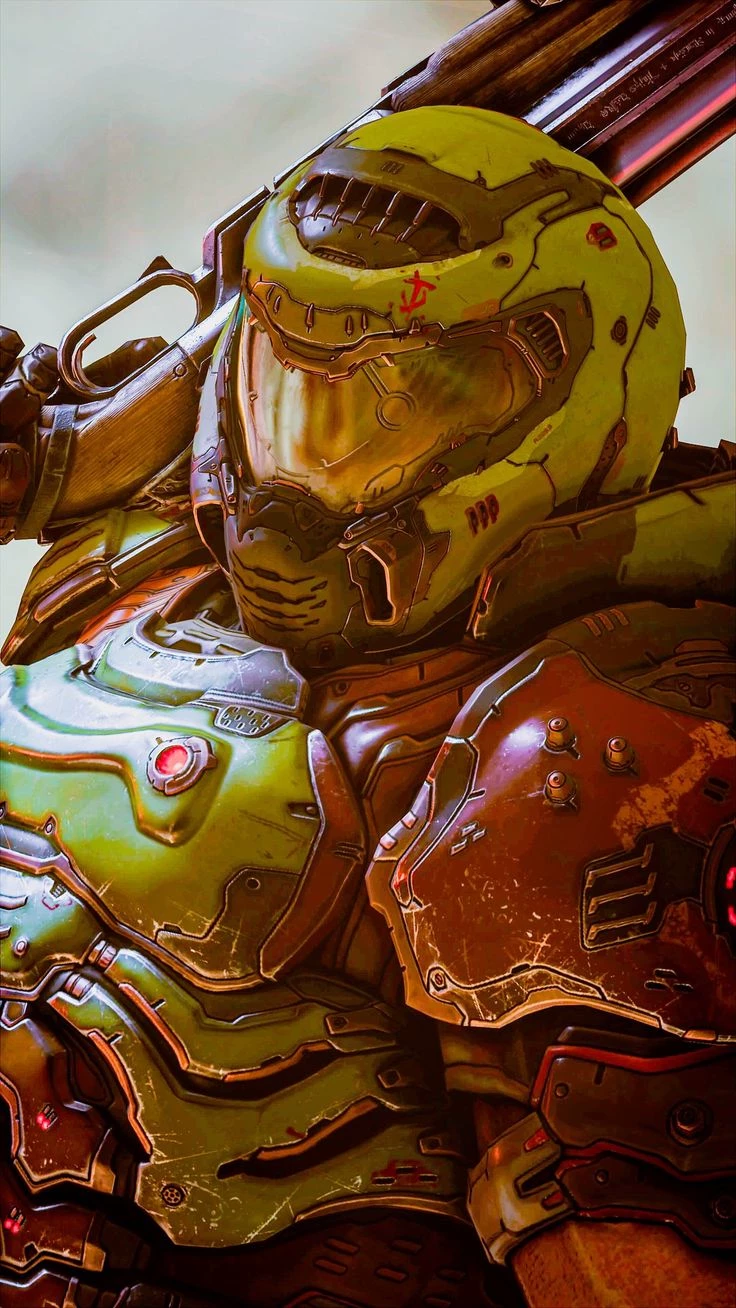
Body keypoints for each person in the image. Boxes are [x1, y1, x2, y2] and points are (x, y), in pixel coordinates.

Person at [0, 106, 734, 1308]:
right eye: (289, 381)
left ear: (568, 403)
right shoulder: (126, 574)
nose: (303, 471)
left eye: (395, 406)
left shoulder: (596, 750)